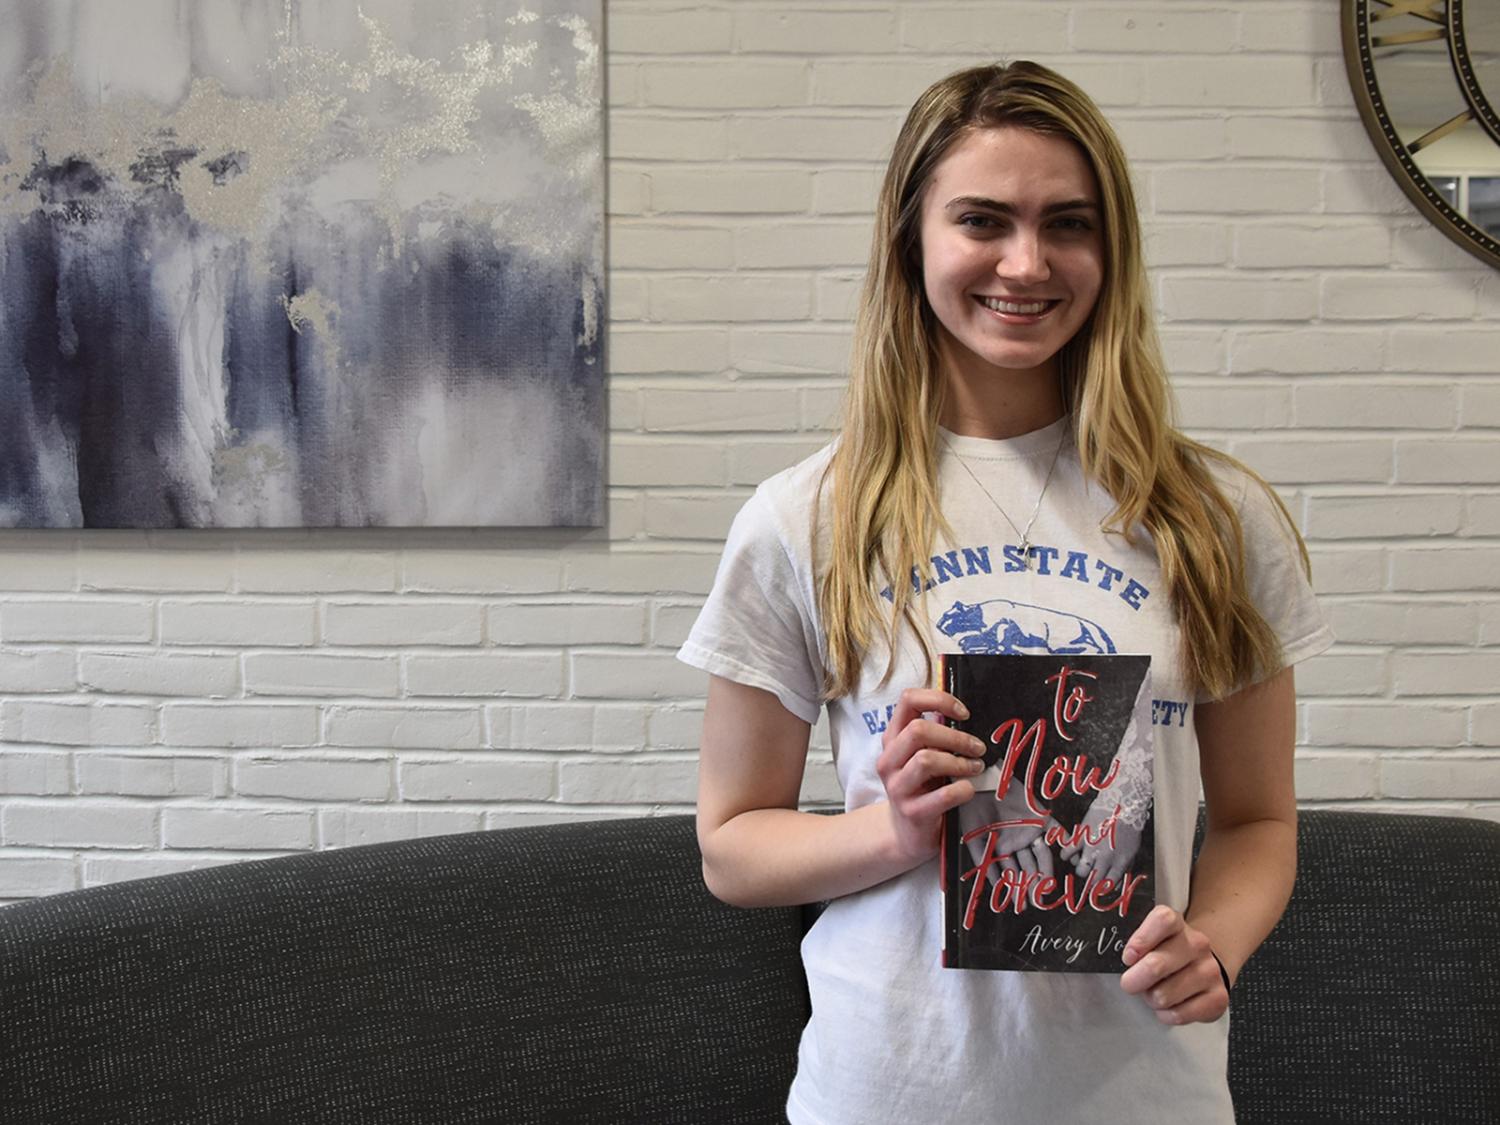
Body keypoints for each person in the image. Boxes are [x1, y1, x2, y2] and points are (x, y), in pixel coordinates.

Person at [678, 60, 1333, 1124]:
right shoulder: (806, 518)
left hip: (1146, 1097)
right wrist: (890, 832)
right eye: (982, 219)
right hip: (885, 1093)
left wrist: (1215, 940)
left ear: (1109, 249)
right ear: (913, 240)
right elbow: (732, 846)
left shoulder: (1213, 519)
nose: (1025, 263)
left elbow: (1259, 822)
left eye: (1067, 224)